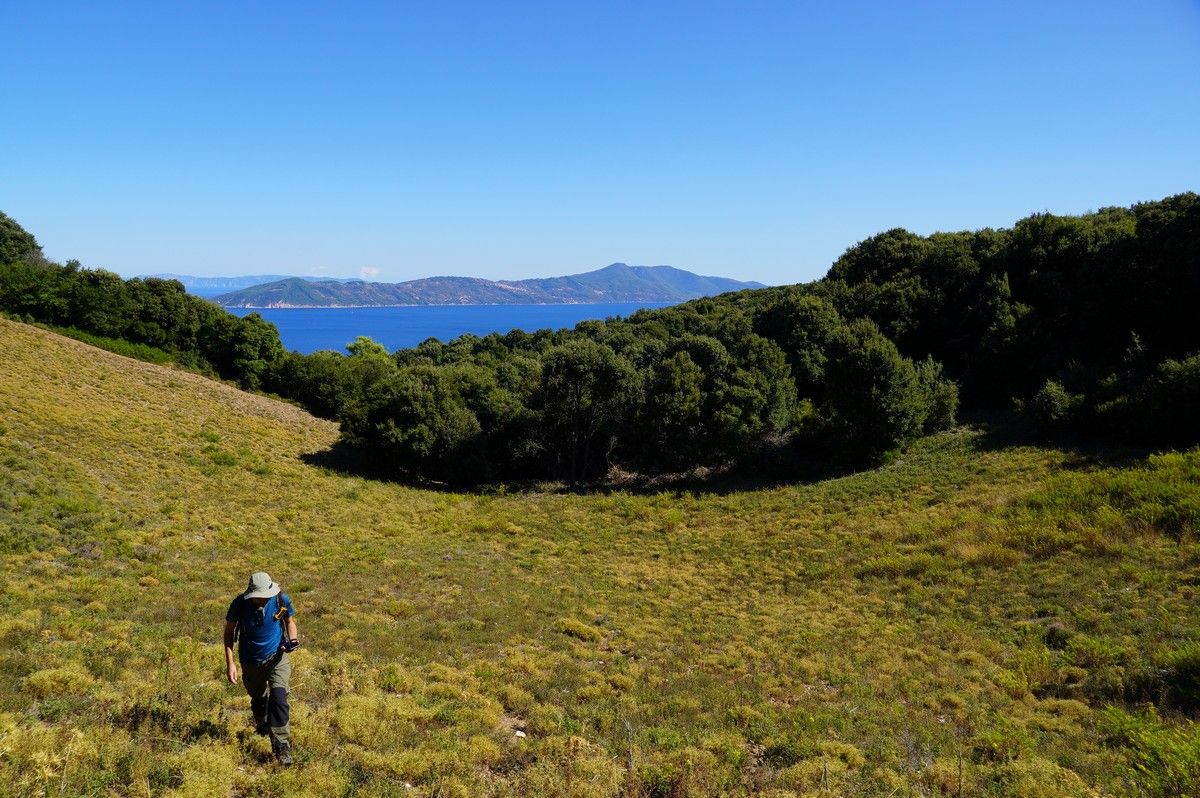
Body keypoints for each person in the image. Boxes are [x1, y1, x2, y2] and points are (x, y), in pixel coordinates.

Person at [224, 571, 300, 765]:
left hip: (277, 656)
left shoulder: (280, 598)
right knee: (258, 698)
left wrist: (293, 640)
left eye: (265, 596)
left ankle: (281, 746)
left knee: (279, 697)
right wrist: (230, 663)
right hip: (250, 660)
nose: (262, 600)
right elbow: (229, 633)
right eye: (258, 597)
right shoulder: (239, 604)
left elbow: (289, 622)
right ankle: (262, 724)